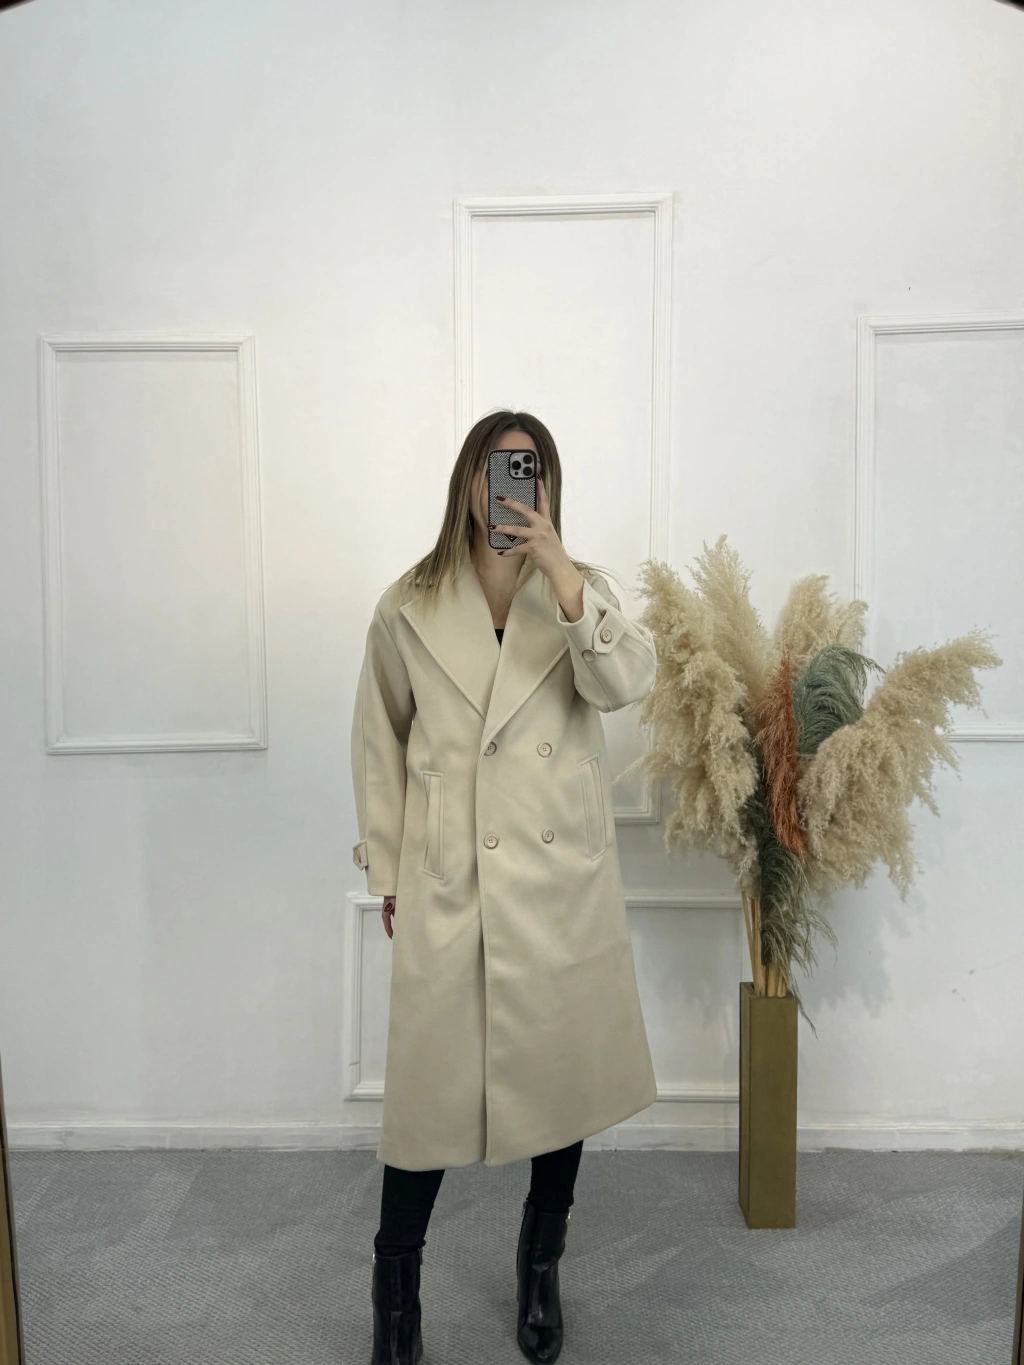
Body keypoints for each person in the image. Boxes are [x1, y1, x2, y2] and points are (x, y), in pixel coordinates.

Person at [351, 410, 659, 1364]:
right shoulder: (407, 603)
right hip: (450, 872)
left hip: (558, 874)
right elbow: (378, 741)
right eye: (498, 469)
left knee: (559, 1080)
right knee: (427, 1098)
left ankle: (540, 1259)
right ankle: (395, 1293)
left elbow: (625, 683)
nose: (512, 487)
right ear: (469, 482)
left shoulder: (580, 590)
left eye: (530, 470)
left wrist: (562, 575)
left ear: (548, 487)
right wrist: (390, 867)